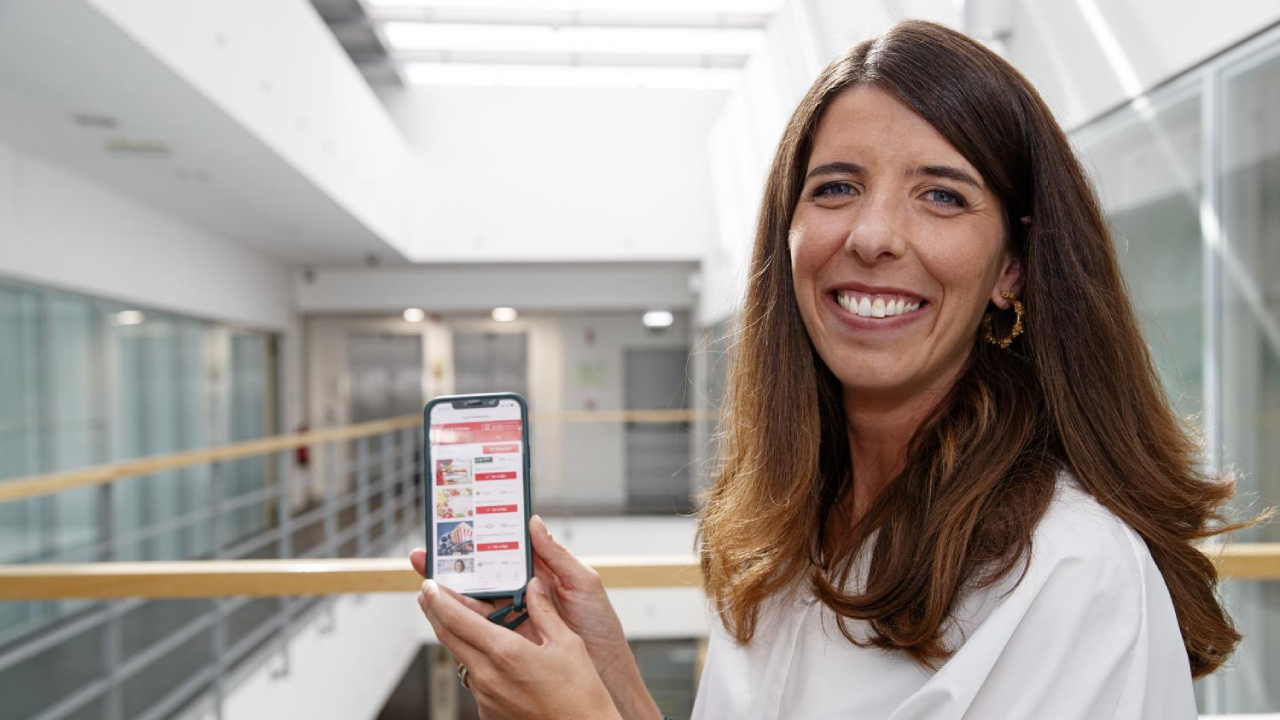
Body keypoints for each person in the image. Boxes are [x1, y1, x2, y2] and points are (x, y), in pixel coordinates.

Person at [408, 20, 1250, 720]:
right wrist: (614, 687)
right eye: (837, 187)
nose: (872, 236)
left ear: (1012, 267)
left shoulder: (1072, 571)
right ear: (788, 234)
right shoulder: (790, 536)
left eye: (942, 194)